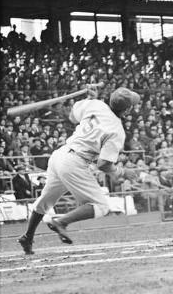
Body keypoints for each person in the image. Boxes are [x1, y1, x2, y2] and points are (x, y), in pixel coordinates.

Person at [18, 86, 140, 254]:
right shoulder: (117, 130)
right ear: (127, 110)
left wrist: (89, 100)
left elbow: (71, 117)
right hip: (74, 162)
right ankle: (61, 222)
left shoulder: (96, 104)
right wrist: (123, 172)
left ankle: (27, 237)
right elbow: (103, 164)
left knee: (46, 200)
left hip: (60, 155)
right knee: (101, 206)